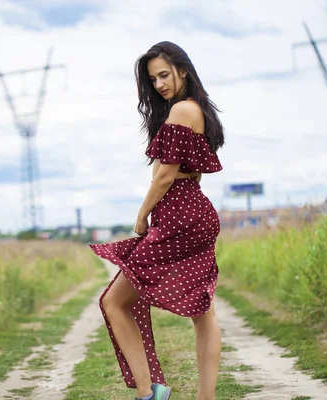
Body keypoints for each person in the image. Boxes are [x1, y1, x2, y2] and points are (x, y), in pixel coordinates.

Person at [89, 40, 225, 400]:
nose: (159, 84)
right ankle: (198, 397)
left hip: (180, 216)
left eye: (164, 75)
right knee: (204, 313)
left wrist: (142, 213)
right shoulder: (197, 109)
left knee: (114, 302)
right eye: (153, 79)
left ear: (183, 70)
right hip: (192, 213)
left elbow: (165, 175)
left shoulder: (182, 109)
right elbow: (187, 171)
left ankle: (150, 391)